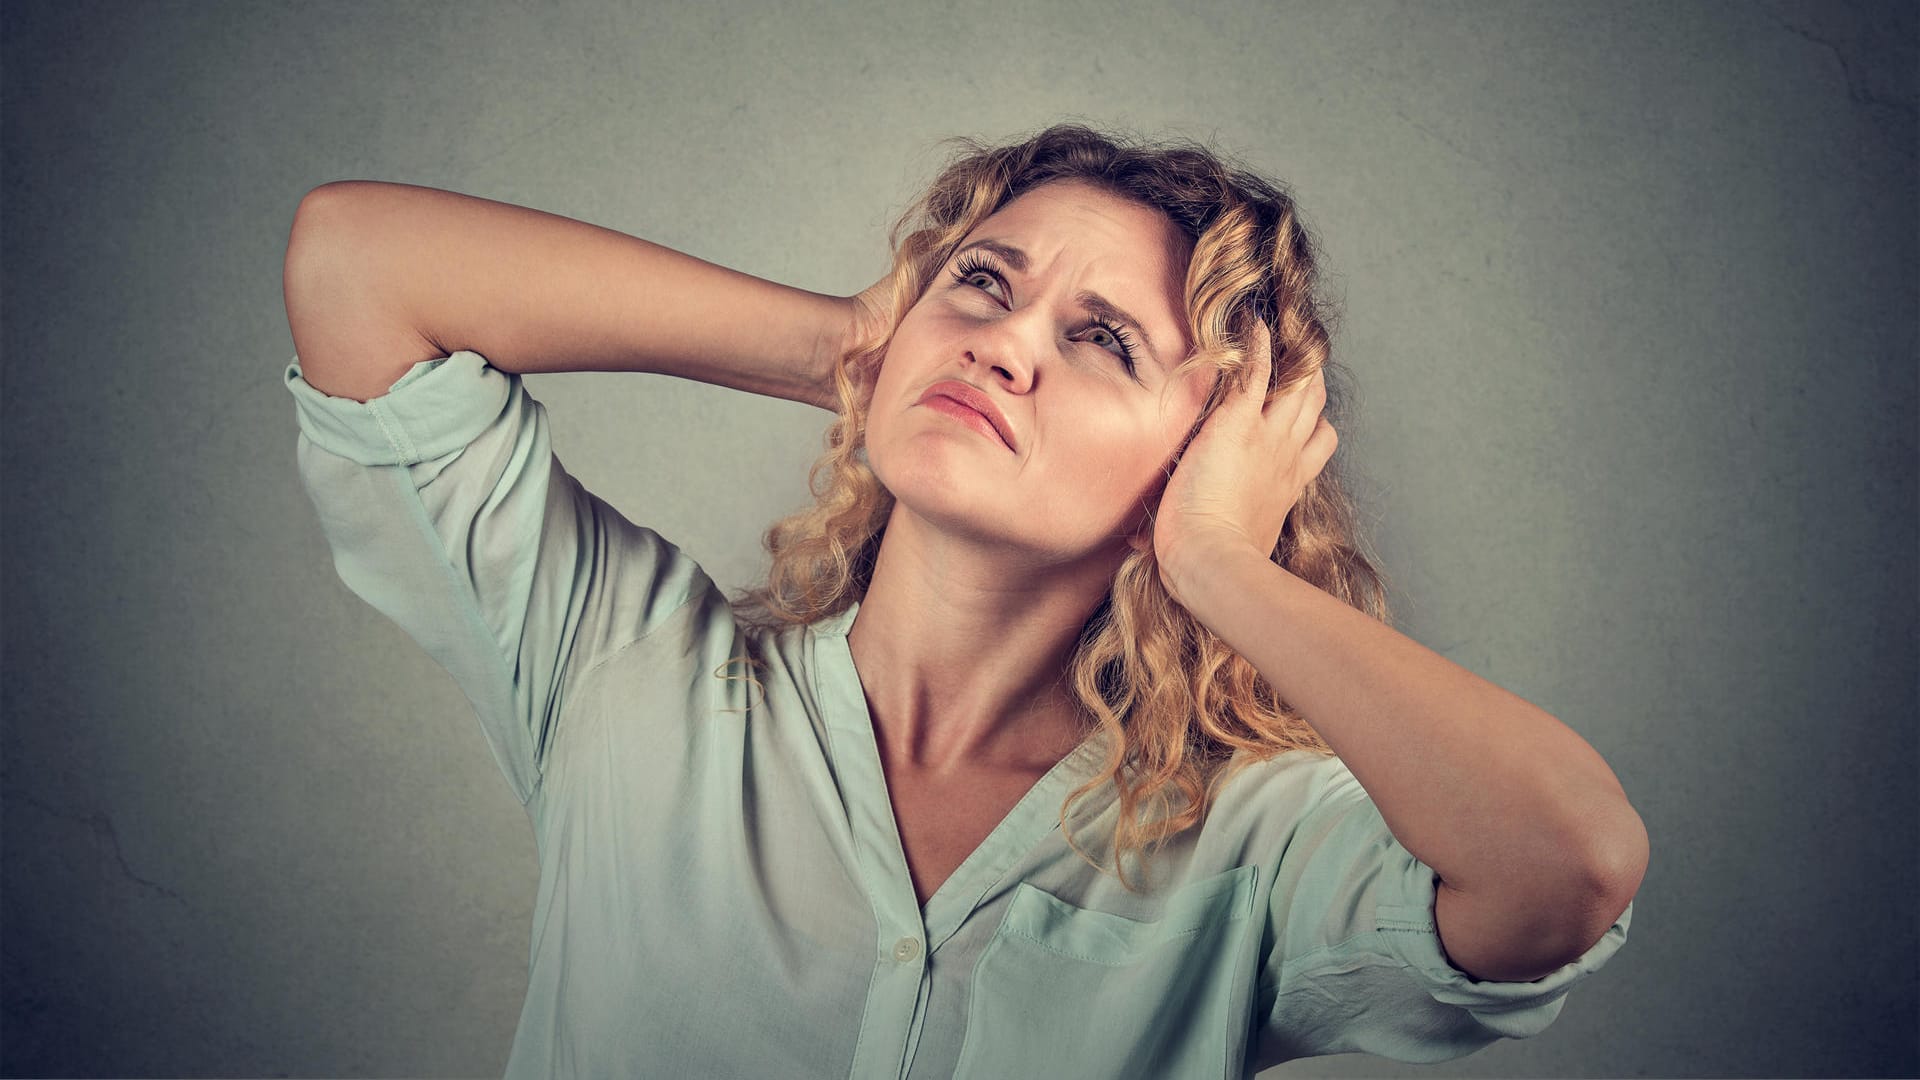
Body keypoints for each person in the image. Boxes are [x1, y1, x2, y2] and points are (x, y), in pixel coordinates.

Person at [280, 122, 1644, 1079]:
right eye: (982, 285)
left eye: (1102, 339)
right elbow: (355, 264)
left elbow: (1565, 869)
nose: (1002, 341)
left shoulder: (1246, 849)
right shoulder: (620, 671)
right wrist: (849, 346)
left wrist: (1221, 558)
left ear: (1206, 450)